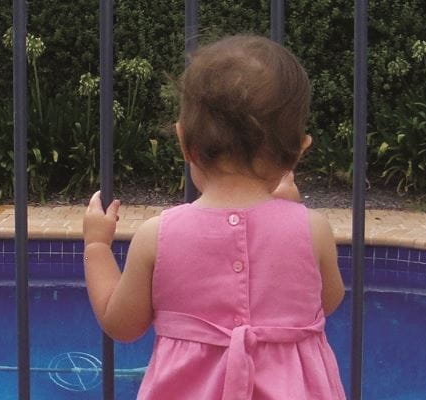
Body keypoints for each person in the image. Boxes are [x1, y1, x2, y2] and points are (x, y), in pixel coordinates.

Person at [82, 35, 346, 399]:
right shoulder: (312, 229)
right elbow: (327, 300)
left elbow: (122, 324)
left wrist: (96, 246)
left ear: (184, 142)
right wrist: (292, 213)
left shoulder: (158, 236)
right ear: (298, 151)